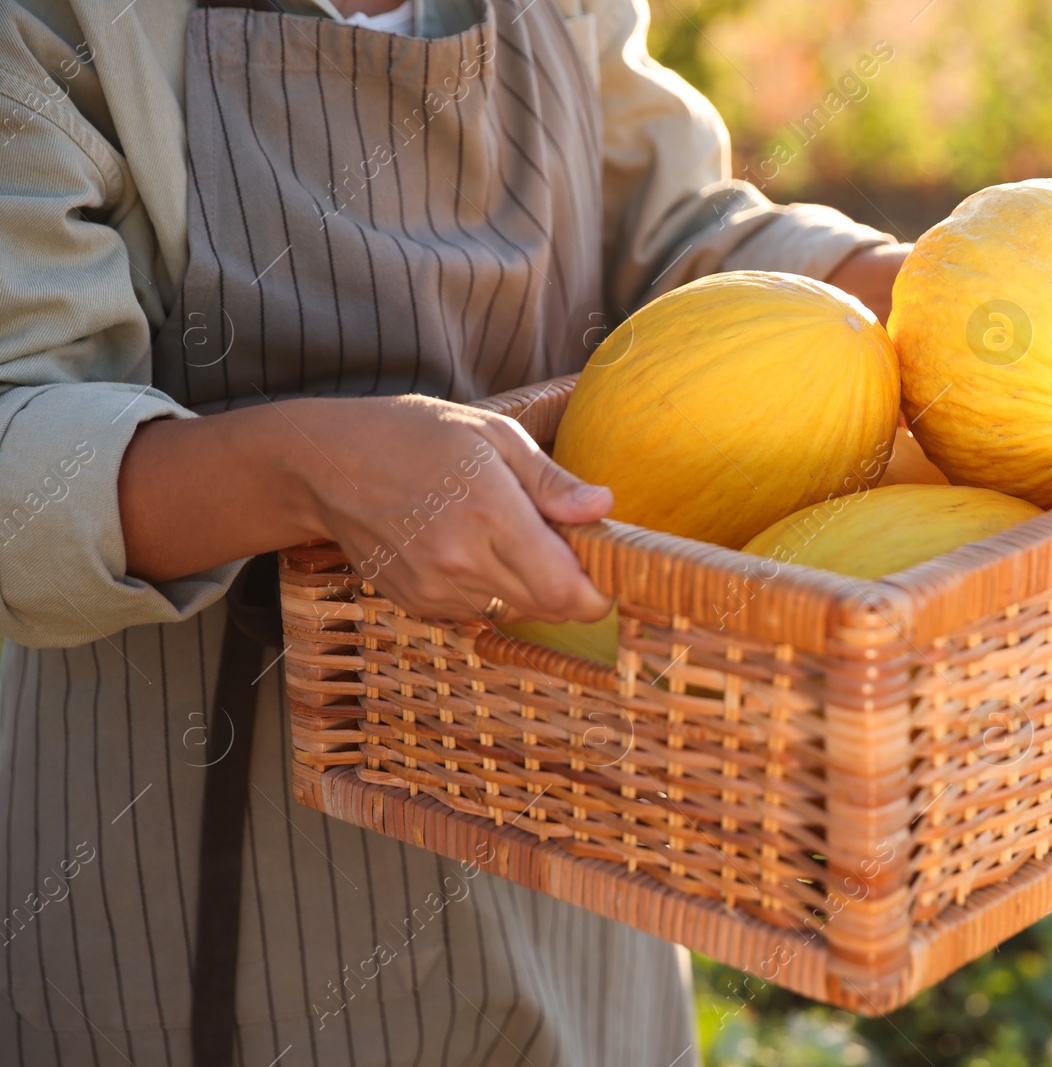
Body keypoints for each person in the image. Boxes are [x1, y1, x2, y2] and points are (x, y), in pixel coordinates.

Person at [0, 0, 908, 1062]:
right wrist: (308, 470)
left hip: (584, 824)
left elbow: (670, 231)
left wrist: (899, 291)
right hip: (210, 882)